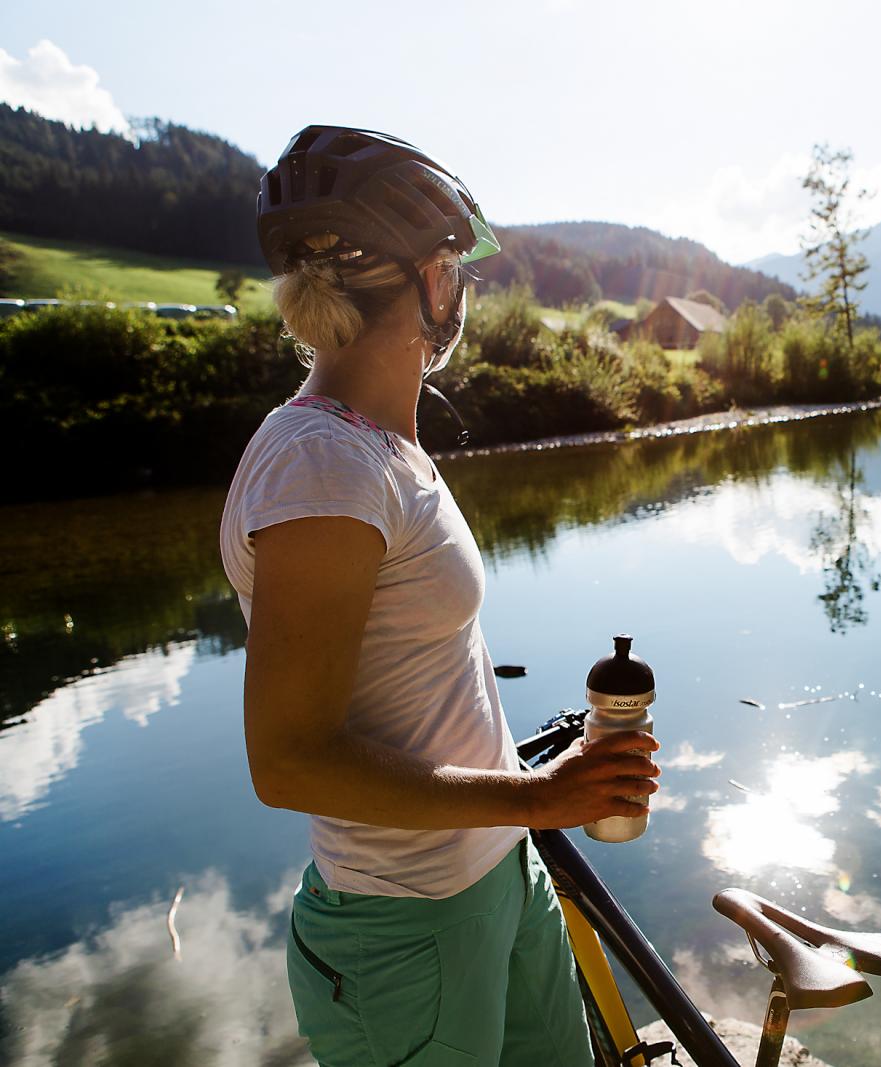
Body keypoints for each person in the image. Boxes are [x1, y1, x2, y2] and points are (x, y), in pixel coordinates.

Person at [219, 125, 660, 1066]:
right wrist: (538, 794)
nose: (462, 285)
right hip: (406, 930)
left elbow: (417, 670)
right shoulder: (321, 466)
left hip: (499, 873)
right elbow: (288, 761)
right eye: (454, 263)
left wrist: (545, 790)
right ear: (425, 283)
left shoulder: (381, 444)